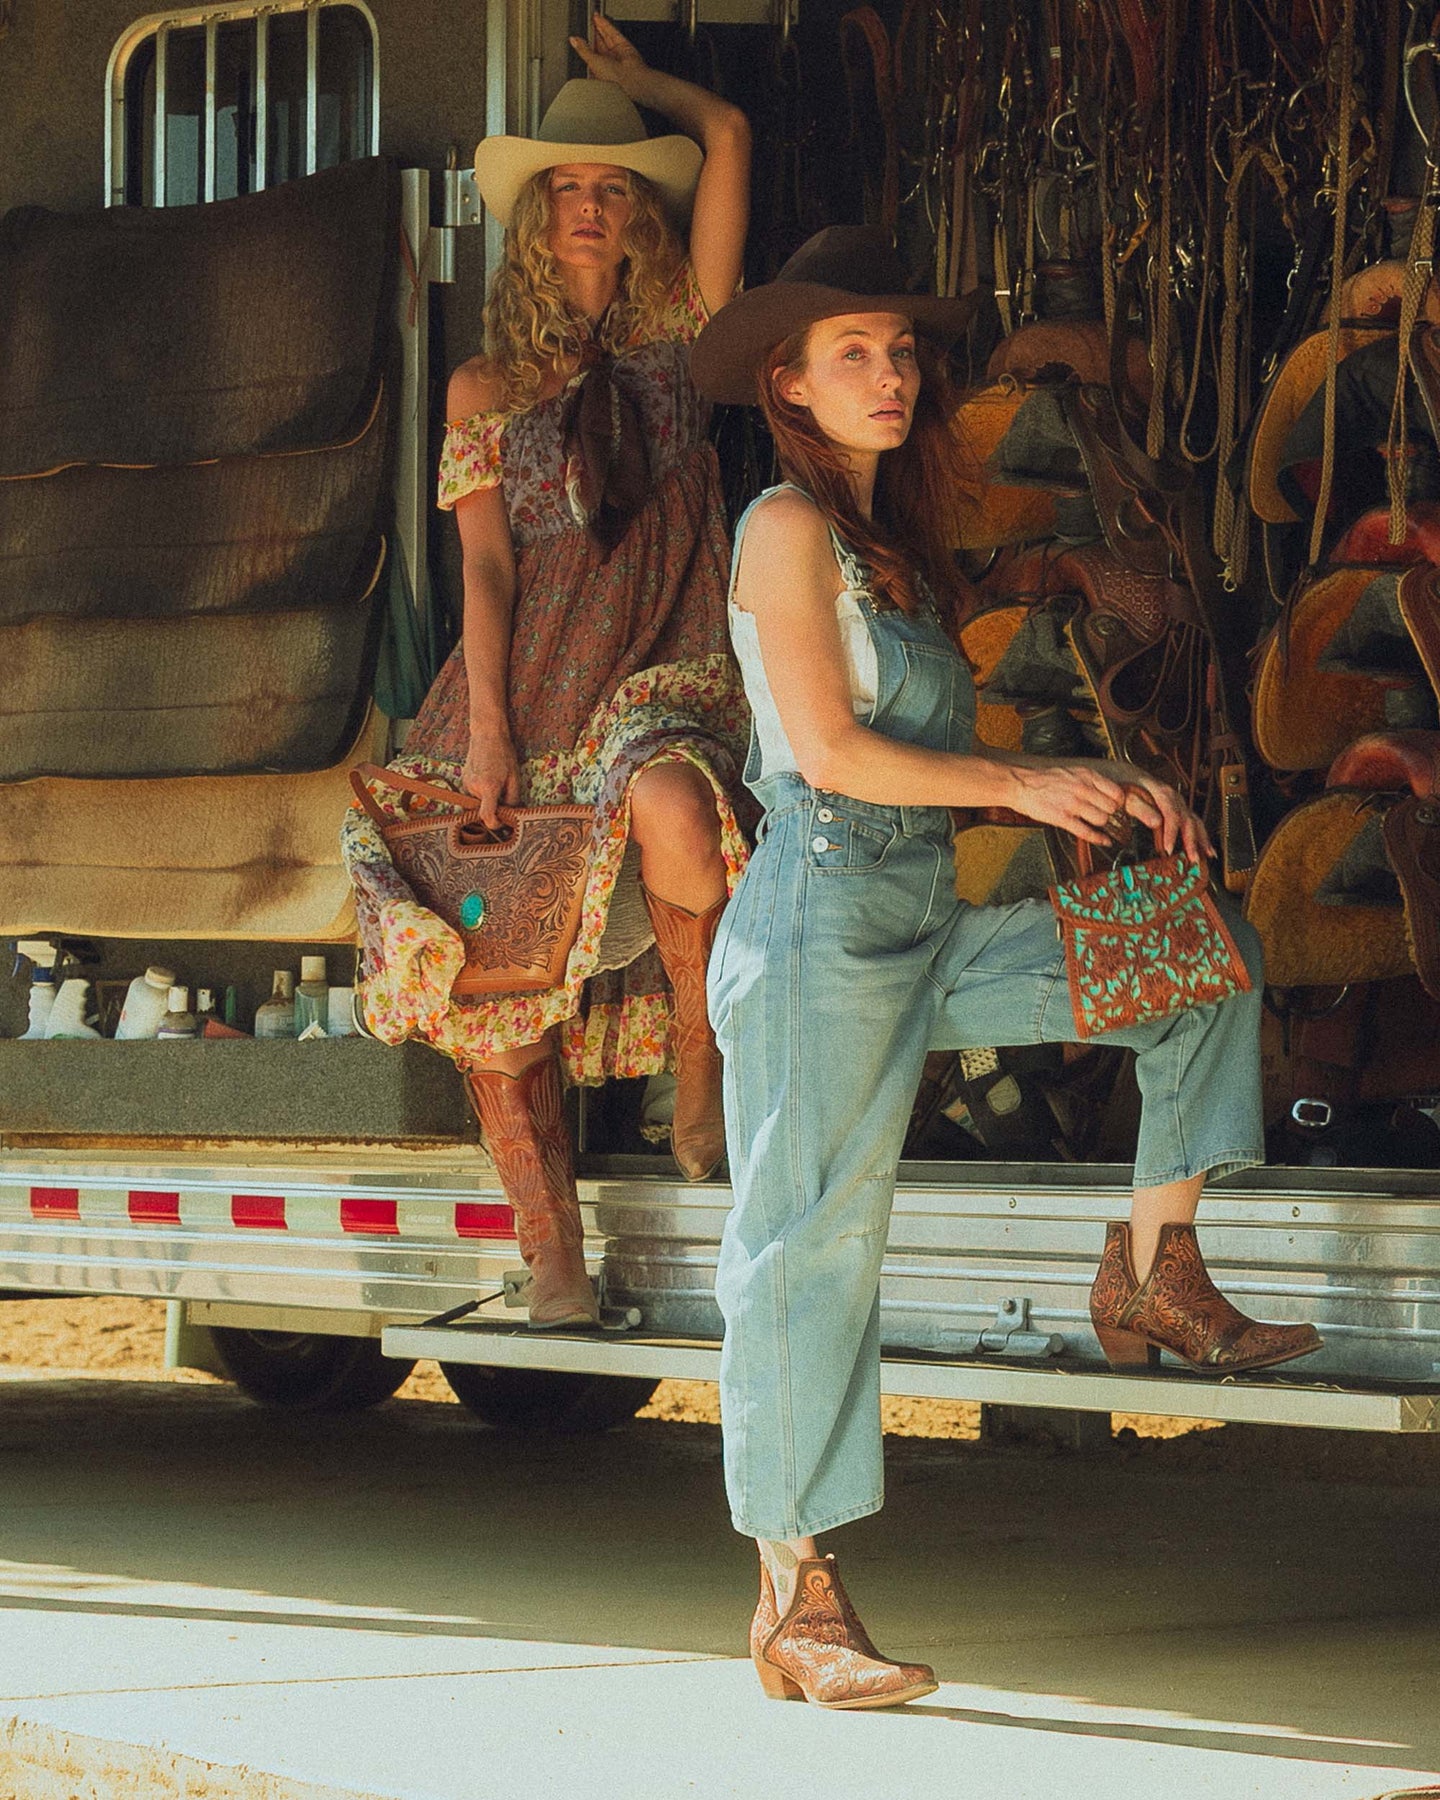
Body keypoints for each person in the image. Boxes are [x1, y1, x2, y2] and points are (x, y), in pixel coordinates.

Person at [688, 226, 1324, 1710]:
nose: (891, 374)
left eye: (902, 350)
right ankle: (792, 1597)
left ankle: (1155, 1272)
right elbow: (829, 751)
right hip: (817, 922)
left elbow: (937, 763)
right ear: (788, 382)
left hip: (918, 914)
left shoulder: (896, 548)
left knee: (1197, 953)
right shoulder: (783, 525)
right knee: (808, 1248)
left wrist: (1100, 778)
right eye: (853, 353)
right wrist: (1024, 789)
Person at [342, 20, 751, 1328]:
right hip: (522, 688)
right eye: (566, 187)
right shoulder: (484, 386)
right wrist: (488, 732)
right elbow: (486, 568)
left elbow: (729, 137)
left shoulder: (684, 343)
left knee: (677, 808)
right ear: (532, 218)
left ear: (638, 217)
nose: (588, 206)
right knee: (491, 959)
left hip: (660, 672)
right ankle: (553, 1253)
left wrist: (641, 88)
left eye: (612, 188)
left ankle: (700, 1053)